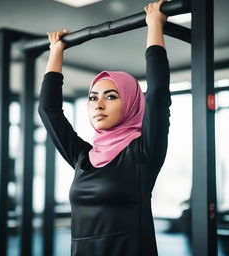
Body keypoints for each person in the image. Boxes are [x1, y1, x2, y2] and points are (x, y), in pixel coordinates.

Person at [38, 0, 171, 255]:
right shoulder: (82, 157)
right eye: (92, 97)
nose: (98, 105)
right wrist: (56, 51)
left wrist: (154, 25)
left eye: (111, 96)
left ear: (131, 103)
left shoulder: (143, 153)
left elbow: (157, 95)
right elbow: (48, 111)